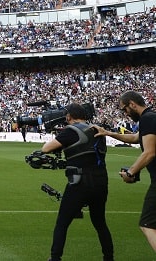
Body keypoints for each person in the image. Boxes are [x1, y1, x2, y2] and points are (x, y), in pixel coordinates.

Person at [40, 103, 113, 261]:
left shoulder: (71, 131)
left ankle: (55, 257)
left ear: (68, 116)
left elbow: (46, 148)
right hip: (101, 182)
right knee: (100, 223)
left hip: (79, 182)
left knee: (62, 223)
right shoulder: (97, 130)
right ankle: (109, 257)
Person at [94, 90, 156, 252]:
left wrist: (131, 172)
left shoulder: (148, 119)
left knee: (147, 224)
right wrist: (108, 133)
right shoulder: (149, 118)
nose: (125, 113)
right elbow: (136, 138)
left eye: (124, 109)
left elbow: (149, 152)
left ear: (132, 104)